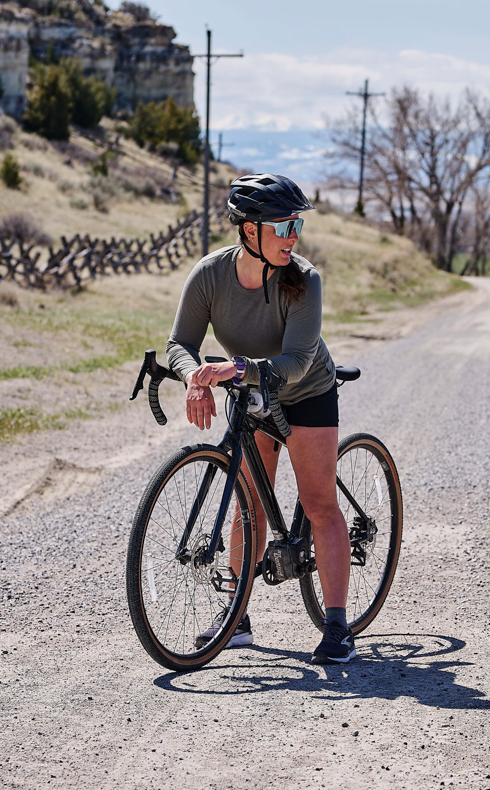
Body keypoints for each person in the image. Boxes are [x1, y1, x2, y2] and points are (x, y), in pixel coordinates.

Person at [165, 173, 355, 665]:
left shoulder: (303, 279)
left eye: (297, 226)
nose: (294, 236)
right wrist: (193, 378)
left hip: (305, 391)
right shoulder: (210, 275)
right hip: (250, 390)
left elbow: (294, 364)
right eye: (284, 226)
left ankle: (337, 626)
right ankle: (236, 617)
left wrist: (235, 369)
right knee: (245, 503)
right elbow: (179, 345)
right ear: (250, 231)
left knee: (318, 504)